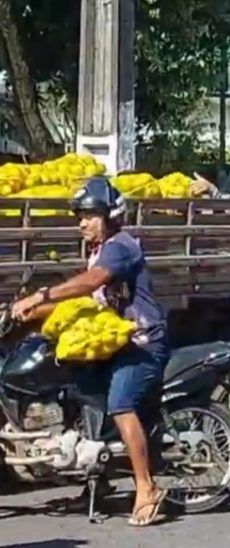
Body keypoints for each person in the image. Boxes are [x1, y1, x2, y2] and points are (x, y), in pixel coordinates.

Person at [12, 177, 169, 526]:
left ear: (111, 215)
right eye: (79, 216)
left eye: (90, 214)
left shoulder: (120, 246)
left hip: (143, 344)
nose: (81, 222)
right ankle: (98, 479)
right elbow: (83, 300)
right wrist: (25, 313)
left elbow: (91, 283)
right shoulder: (98, 249)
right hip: (116, 341)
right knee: (76, 390)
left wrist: (41, 296)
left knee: (120, 404)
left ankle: (146, 488)